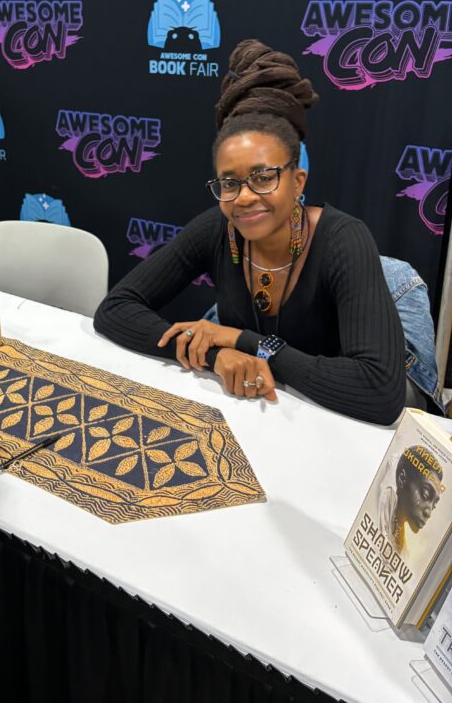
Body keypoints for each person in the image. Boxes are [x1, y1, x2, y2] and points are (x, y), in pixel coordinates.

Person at [94, 39, 406, 426]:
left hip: (328, 428)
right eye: (229, 183)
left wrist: (243, 341)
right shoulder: (218, 229)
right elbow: (116, 310)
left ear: (297, 181)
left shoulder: (344, 240)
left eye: (263, 177)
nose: (243, 197)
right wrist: (213, 354)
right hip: (251, 419)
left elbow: (379, 392)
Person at [377, 445, 443, 554]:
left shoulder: (403, 546)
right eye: (425, 495)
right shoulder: (388, 495)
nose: (428, 512)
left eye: (434, 506)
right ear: (402, 479)